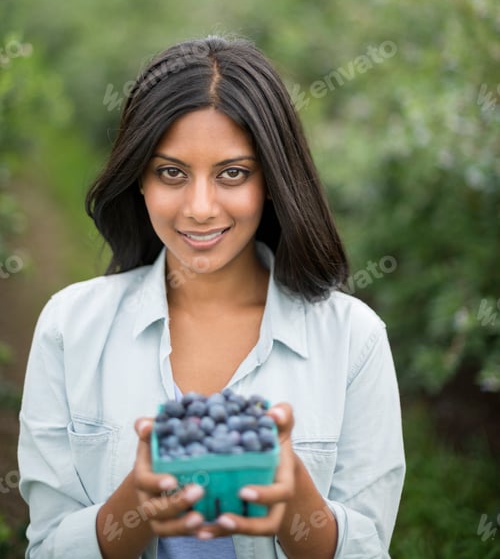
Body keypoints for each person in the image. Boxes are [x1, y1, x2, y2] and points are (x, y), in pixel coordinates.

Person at [18, 36, 405, 559]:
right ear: (139, 179)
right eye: (171, 172)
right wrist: (133, 508)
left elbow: (368, 548)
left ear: (272, 180)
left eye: (232, 173)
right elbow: (45, 548)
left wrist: (297, 508)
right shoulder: (69, 327)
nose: (200, 208)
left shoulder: (353, 339)